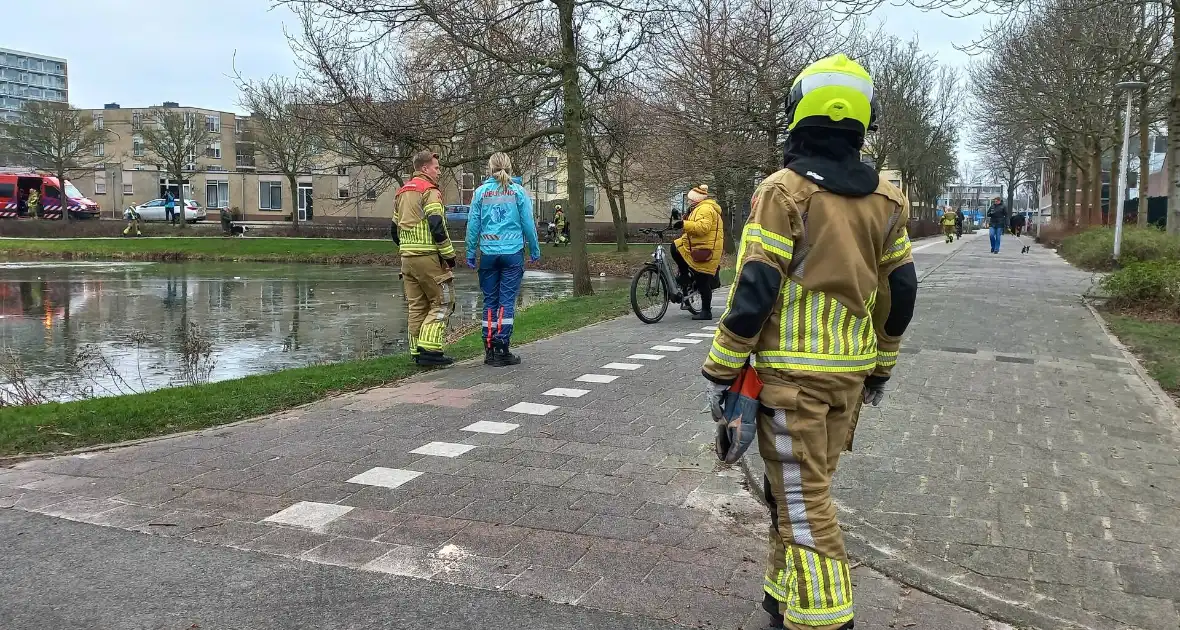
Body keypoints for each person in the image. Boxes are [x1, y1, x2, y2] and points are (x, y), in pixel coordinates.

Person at [703, 54, 917, 630]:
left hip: (791, 382)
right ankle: (781, 596)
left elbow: (755, 286)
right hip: (849, 377)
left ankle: (827, 619)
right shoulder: (888, 200)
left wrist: (721, 365)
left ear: (800, 111)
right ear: (861, 120)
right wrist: (882, 367)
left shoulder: (783, 191)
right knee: (792, 494)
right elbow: (903, 290)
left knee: (803, 506)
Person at [465, 152, 541, 367]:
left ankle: (489, 348)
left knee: (490, 301)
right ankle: (502, 347)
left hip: (488, 254)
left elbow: (473, 226)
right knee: (506, 301)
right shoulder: (518, 192)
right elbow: (528, 223)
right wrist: (534, 249)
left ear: (490, 169)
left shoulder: (480, 193)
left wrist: (471, 252)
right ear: (509, 167)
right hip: (512, 253)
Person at [393, 150, 458, 367]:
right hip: (428, 256)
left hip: (407, 259)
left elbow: (393, 230)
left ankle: (416, 351)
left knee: (417, 306)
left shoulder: (401, 192)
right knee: (443, 301)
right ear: (424, 168)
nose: (439, 172)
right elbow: (437, 226)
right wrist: (449, 255)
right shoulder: (429, 191)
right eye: (436, 168)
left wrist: (406, 249)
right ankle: (430, 351)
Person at [671, 184, 723, 320]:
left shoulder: (705, 209)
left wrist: (684, 224)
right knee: (675, 246)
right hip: (697, 246)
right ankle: (685, 276)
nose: (688, 201)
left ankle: (706, 311)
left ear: (696, 199)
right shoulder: (697, 209)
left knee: (702, 280)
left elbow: (703, 228)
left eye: (690, 199)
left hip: (705, 249)